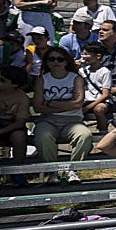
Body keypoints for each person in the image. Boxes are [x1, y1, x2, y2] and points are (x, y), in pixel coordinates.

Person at [32, 48, 94, 184]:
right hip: (47, 120)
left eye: (60, 59)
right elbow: (37, 107)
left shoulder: (76, 79)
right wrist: (66, 105)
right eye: (51, 59)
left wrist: (51, 104)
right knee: (43, 136)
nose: (56, 62)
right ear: (47, 62)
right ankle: (53, 171)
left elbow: (77, 104)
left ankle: (73, 170)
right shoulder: (42, 80)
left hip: (73, 120)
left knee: (84, 135)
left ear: (66, 62)